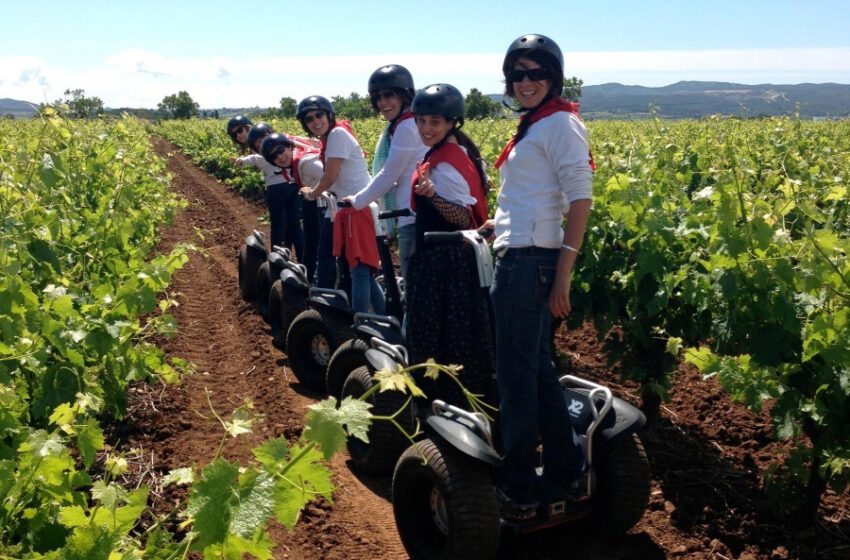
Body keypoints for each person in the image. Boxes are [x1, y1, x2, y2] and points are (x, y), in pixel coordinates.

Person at [489, 34, 595, 521]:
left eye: (536, 73)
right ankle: (568, 469)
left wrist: (562, 276)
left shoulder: (559, 124)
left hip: (529, 263)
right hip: (522, 251)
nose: (526, 82)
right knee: (536, 369)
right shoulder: (537, 125)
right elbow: (533, 196)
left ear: (553, 77)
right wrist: (498, 224)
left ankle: (519, 487)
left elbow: (580, 199)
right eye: (518, 74)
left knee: (515, 378)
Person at [404, 83, 493, 409]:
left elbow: (463, 218)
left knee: (439, 336)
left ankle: (439, 403)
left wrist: (433, 197)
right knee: (458, 334)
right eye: (422, 121)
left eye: (435, 123)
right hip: (449, 259)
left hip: (444, 261)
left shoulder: (445, 163)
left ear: (451, 123)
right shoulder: (457, 152)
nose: (426, 129)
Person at [296, 96, 385, 315]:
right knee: (353, 265)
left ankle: (361, 322)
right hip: (348, 207)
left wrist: (311, 194)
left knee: (359, 268)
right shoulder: (331, 137)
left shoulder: (337, 135)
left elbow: (330, 176)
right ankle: (380, 314)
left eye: (319, 115)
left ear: (329, 115)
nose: (316, 121)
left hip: (358, 207)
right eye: (309, 119)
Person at [341, 64, 427, 282]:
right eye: (378, 97)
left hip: (413, 215)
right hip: (414, 212)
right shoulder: (406, 124)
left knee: (413, 284)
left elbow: (389, 175)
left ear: (404, 95)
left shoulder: (406, 127)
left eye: (389, 95)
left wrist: (357, 200)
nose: (382, 103)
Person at [239, 129, 304, 256]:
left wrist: (241, 161)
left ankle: (278, 257)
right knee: (292, 224)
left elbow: (251, 159)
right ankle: (302, 257)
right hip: (291, 187)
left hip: (278, 190)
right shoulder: (283, 150)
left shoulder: (264, 156)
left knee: (280, 225)